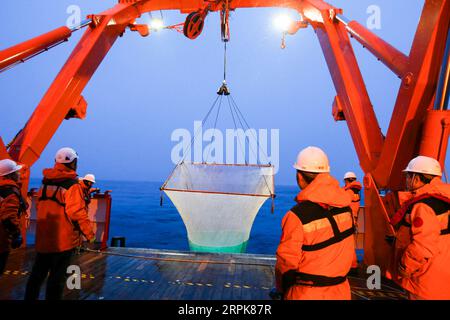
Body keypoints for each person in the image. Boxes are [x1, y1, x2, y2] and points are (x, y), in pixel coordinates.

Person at [274, 146, 355, 300]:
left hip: (307, 294)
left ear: (299, 176)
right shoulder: (345, 207)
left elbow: (286, 264)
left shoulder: (296, 216)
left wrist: (282, 290)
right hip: (341, 291)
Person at [24, 147, 95, 300]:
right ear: (74, 163)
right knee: (57, 279)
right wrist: (90, 235)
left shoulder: (44, 183)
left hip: (43, 239)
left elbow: (39, 207)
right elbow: (77, 213)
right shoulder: (72, 186)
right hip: (62, 242)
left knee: (36, 276)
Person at [389, 155, 450, 299]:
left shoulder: (423, 205)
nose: (407, 181)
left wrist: (404, 267)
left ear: (416, 178)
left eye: (408, 176)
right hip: (443, 268)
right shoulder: (444, 199)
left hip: (426, 277)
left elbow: (423, 246)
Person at [0, 159, 26, 274]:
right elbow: (8, 218)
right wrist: (16, 234)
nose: (19, 174)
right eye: (17, 172)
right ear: (11, 175)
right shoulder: (10, 193)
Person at [343, 171, 362, 270]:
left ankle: (352, 265)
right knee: (350, 244)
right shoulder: (356, 192)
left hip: (348, 221)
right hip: (353, 220)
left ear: (346, 181)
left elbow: (342, 203)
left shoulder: (349, 192)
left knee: (347, 245)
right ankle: (352, 264)